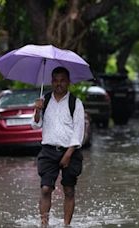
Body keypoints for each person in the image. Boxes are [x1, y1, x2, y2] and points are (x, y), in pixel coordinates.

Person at [31, 66, 85, 226]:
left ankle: (66, 225)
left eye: (62, 81)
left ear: (68, 82)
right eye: (55, 80)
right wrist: (37, 111)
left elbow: (79, 131)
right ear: (51, 82)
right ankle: (44, 224)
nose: (58, 84)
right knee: (45, 188)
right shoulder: (44, 100)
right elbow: (35, 126)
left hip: (71, 151)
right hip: (48, 150)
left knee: (69, 190)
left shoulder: (75, 103)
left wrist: (68, 154)